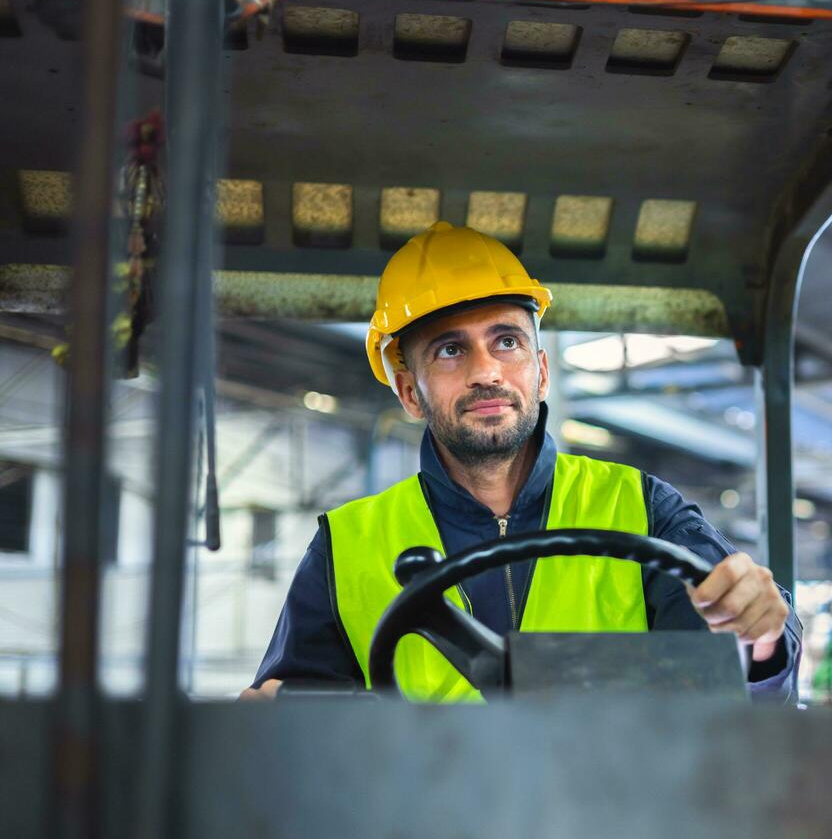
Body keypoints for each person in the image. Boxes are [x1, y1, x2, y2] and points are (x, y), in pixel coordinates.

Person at [243, 222, 800, 702]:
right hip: (418, 827)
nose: (487, 371)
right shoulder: (345, 546)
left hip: (613, 822)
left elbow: (734, 678)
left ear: (542, 370)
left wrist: (760, 636)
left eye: (506, 341)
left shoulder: (643, 509)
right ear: (410, 393)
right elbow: (295, 720)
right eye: (451, 350)